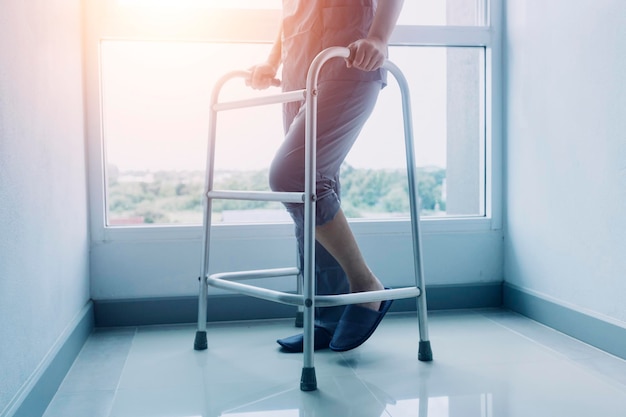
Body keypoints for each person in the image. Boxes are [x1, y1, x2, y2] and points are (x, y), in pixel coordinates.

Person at [248, 0, 404, 352]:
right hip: (299, 72)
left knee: (292, 176)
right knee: (310, 190)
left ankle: (366, 287)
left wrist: (379, 37)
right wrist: (272, 60)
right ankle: (327, 315)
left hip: (349, 59)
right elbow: (291, 11)